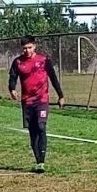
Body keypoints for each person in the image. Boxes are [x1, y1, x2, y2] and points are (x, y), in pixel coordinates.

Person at [8, 36, 65, 173]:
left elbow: (53, 78)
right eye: (24, 48)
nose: (27, 50)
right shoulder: (18, 62)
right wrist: (12, 89)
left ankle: (41, 161)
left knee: (41, 126)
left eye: (29, 47)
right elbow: (12, 78)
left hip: (42, 100)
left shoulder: (44, 60)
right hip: (27, 102)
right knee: (33, 132)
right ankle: (38, 159)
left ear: (34, 46)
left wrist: (61, 95)